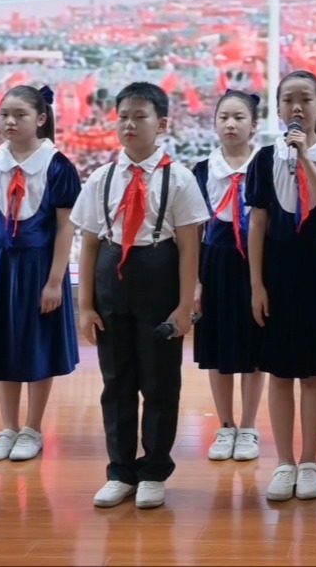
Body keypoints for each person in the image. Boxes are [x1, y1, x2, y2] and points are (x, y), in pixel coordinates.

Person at [72, 82, 209, 509]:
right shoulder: (101, 177)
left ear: (162, 124)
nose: (129, 125)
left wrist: (185, 306)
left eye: (140, 117)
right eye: (123, 117)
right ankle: (120, 471)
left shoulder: (180, 179)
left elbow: (189, 247)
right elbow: (90, 242)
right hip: (112, 279)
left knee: (159, 381)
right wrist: (85, 304)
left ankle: (153, 469)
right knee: (116, 382)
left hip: (160, 274)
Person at [248, 70, 316, 502]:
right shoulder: (263, 159)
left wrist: (306, 158)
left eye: (306, 100)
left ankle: (309, 460)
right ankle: (284, 462)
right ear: (277, 108)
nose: (297, 107)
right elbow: (257, 221)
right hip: (275, 269)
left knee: (312, 372)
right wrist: (256, 284)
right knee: (278, 372)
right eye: (288, 99)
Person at [0, 84, 81, 463]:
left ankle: (33, 428)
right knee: (3, 342)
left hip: (39, 266)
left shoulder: (58, 165)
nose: (10, 121)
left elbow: (66, 227)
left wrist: (54, 281)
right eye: (4, 114)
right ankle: (8, 427)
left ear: (41, 119)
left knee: (37, 344)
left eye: (20, 114)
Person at [192, 90, 265, 462]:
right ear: (215, 123)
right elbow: (193, 230)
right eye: (224, 118)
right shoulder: (202, 170)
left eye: (239, 117)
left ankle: (249, 426)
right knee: (218, 349)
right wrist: (195, 281)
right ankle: (225, 425)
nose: (231, 124)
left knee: (255, 348)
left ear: (254, 125)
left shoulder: (265, 165)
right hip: (215, 264)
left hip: (258, 266)